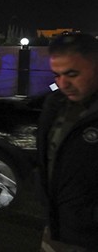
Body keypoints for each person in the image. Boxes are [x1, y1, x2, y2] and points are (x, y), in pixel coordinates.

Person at [37, 32, 98, 251]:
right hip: (57, 231)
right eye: (57, 75)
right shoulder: (55, 105)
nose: (64, 84)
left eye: (72, 74)